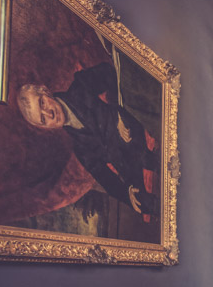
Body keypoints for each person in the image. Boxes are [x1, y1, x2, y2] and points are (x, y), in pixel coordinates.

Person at [16, 62, 159, 222]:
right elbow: (104, 177)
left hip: (137, 130)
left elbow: (114, 73)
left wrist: (119, 113)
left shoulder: (80, 86)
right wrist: (126, 194)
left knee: (155, 159)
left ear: (45, 91)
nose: (48, 113)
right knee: (141, 202)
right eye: (43, 119)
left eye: (42, 103)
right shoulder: (80, 149)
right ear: (46, 128)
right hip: (131, 166)